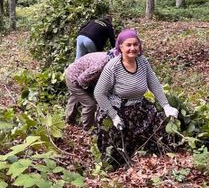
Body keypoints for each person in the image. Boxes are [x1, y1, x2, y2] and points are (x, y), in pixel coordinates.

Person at [93, 29, 178, 167]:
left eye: (135, 44)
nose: (132, 48)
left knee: (160, 125)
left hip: (139, 105)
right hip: (117, 108)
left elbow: (154, 84)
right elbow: (99, 93)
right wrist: (113, 115)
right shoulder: (113, 66)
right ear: (120, 47)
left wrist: (166, 106)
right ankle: (116, 167)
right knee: (116, 143)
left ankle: (155, 160)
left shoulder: (143, 62)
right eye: (128, 45)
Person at [64, 50, 117, 129]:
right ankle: (87, 129)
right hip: (74, 77)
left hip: (77, 73)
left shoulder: (110, 57)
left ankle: (69, 122)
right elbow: (82, 80)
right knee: (90, 104)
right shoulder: (99, 66)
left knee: (76, 98)